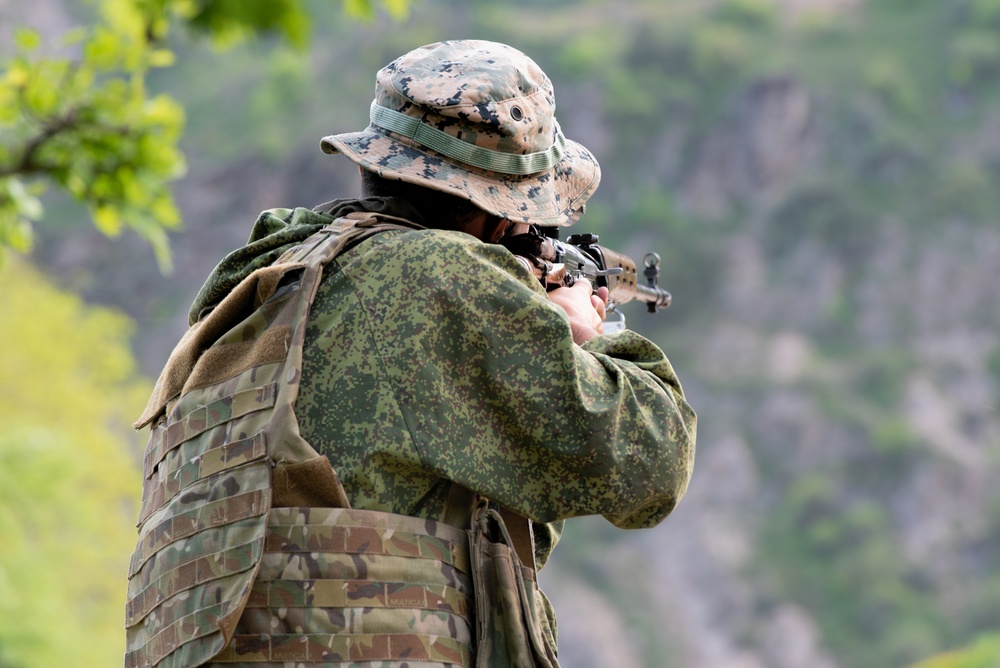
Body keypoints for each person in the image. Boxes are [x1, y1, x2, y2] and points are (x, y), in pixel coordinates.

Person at [125, 40, 696, 668]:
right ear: (502, 214)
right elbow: (651, 467)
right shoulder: (443, 278)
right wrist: (592, 336)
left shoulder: (257, 283)